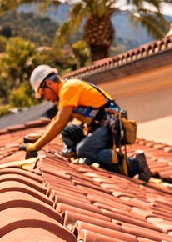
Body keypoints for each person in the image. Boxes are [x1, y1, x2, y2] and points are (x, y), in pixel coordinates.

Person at [22, 65, 150, 181]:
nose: (46, 98)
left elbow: (59, 122)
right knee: (69, 131)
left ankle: (135, 163)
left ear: (49, 84)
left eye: (43, 93)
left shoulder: (68, 89)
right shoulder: (66, 91)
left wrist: (36, 146)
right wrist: (37, 139)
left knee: (84, 150)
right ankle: (94, 156)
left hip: (110, 124)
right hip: (99, 127)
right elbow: (57, 121)